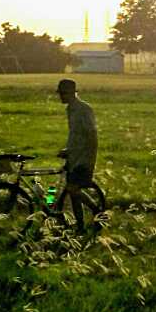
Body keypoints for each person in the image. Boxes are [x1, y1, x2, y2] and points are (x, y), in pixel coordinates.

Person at [56, 79, 98, 233]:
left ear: (72, 93)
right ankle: (80, 227)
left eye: (63, 93)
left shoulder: (84, 109)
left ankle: (97, 210)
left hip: (83, 158)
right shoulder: (70, 110)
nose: (60, 96)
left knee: (73, 189)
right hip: (73, 157)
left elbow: (92, 134)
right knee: (73, 195)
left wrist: (90, 159)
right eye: (59, 93)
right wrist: (68, 150)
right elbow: (76, 135)